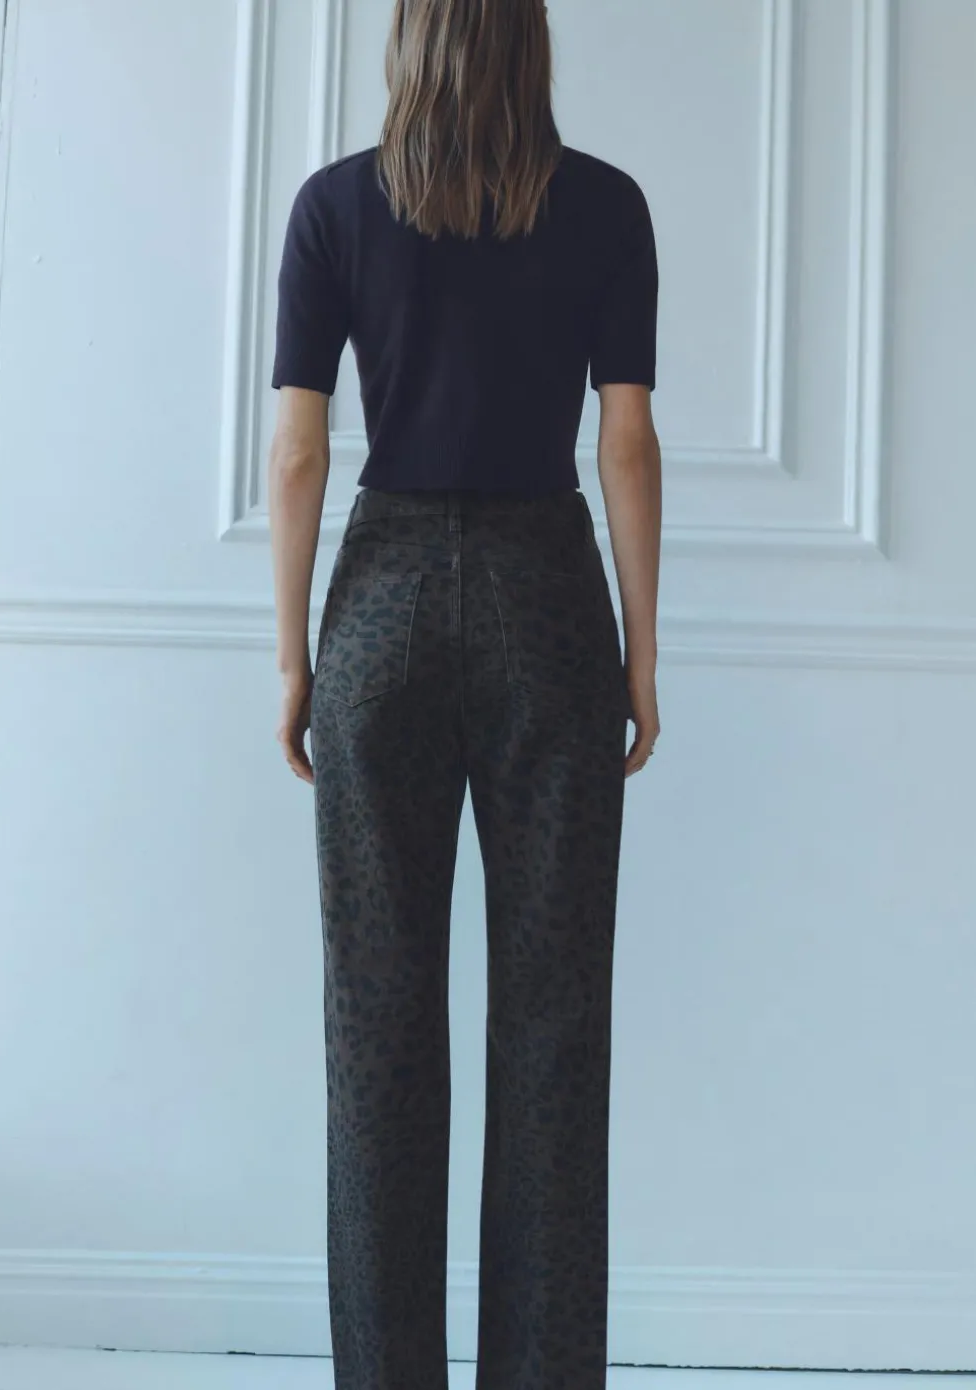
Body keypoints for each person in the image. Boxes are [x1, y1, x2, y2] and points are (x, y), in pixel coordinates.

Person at [267, 1, 661, 1384]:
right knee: (553, 1021)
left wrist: (295, 658)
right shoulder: (606, 206)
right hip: (547, 599)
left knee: (377, 1021)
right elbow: (625, 441)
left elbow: (300, 452)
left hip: (378, 607)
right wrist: (640, 653)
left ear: (410, 44)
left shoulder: (332, 210)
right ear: (529, 45)